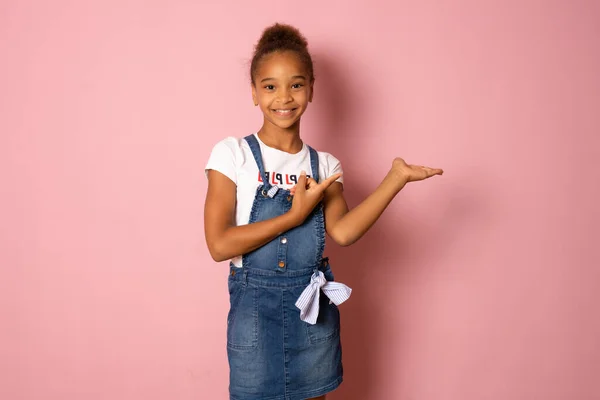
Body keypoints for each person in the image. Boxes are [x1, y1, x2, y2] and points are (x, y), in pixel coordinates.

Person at [204, 22, 443, 400]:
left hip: (311, 315)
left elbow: (344, 232)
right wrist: (292, 217)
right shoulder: (231, 154)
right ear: (253, 92)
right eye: (270, 86)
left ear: (312, 88)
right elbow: (218, 245)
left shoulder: (324, 166)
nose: (284, 97)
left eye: (296, 84)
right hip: (254, 316)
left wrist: (395, 179)